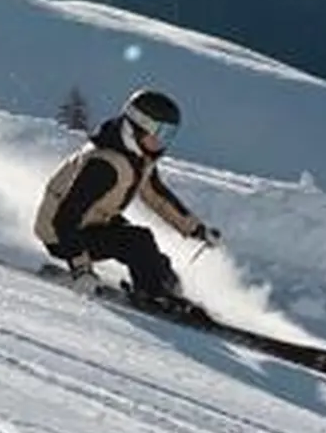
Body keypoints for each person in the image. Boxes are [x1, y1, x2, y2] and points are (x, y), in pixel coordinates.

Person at [35, 87, 219, 313]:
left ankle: (168, 291)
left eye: (170, 134)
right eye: (160, 132)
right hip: (61, 234)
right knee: (137, 241)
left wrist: (196, 229)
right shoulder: (105, 164)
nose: (163, 142)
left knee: (155, 259)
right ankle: (153, 295)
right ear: (138, 126)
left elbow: (157, 196)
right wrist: (81, 269)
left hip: (92, 221)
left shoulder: (138, 158)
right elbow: (65, 217)